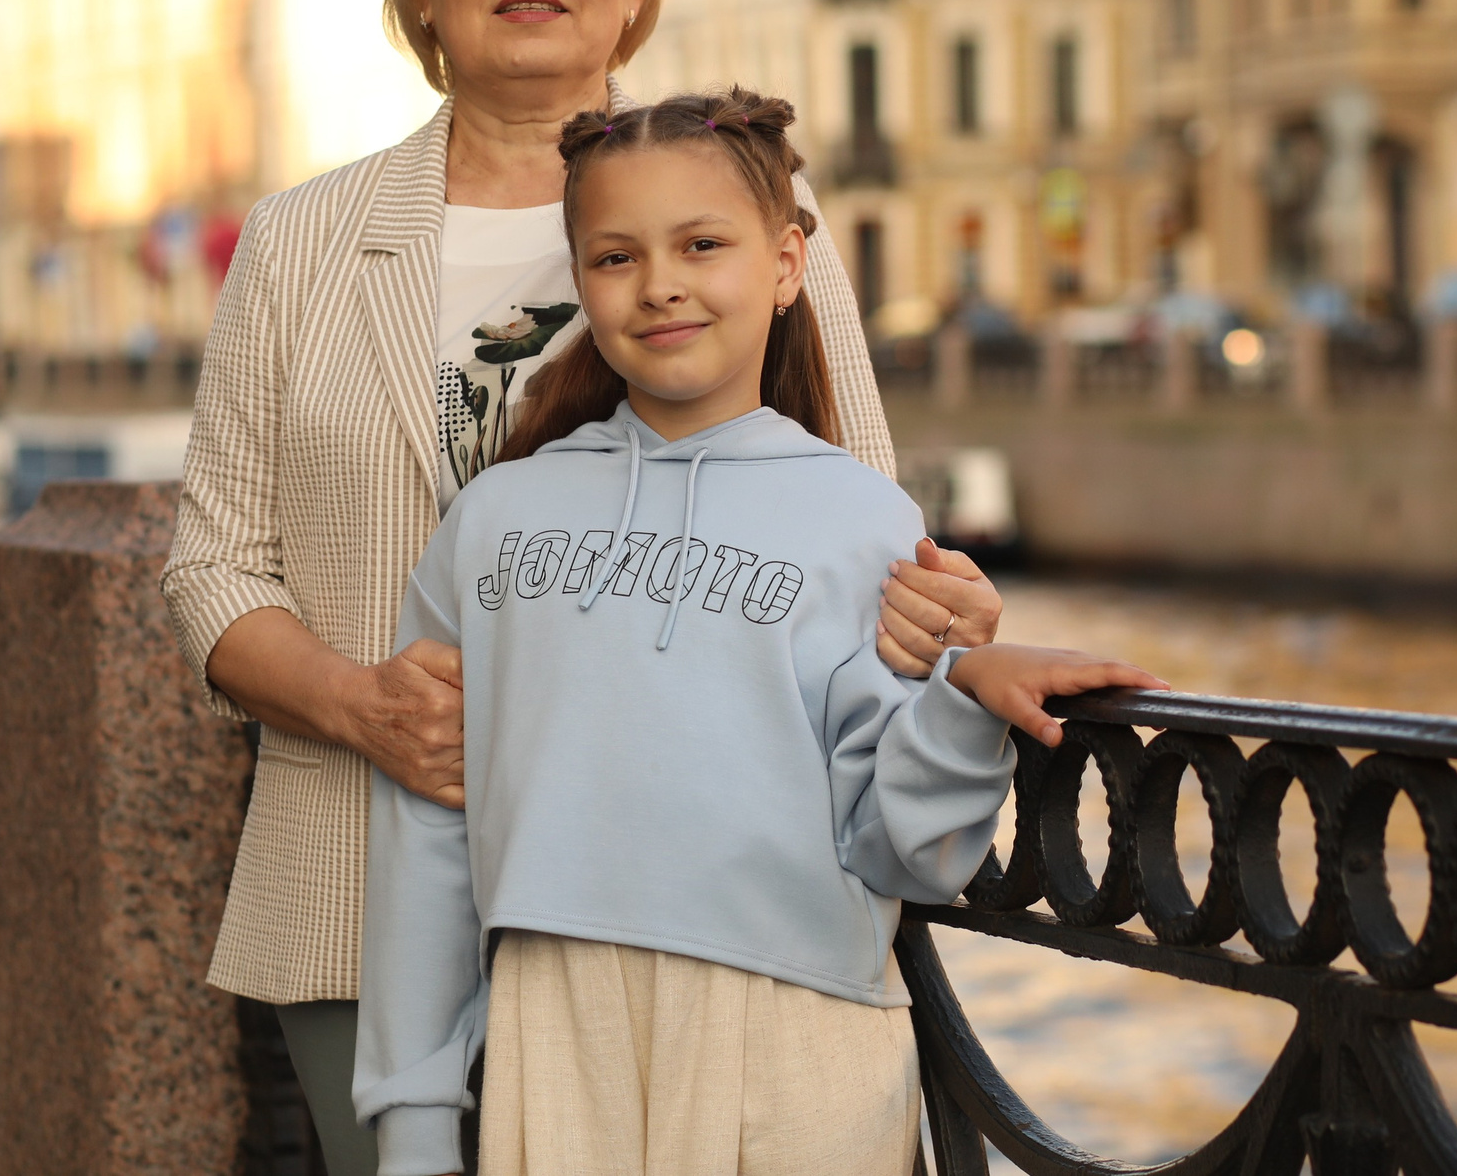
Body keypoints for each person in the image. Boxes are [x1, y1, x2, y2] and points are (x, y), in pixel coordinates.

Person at [161, 0, 1009, 1171]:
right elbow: (213, 563)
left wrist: (951, 626)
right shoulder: (300, 241)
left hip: (698, 917)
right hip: (361, 891)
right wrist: (364, 704)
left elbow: (860, 523)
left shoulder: (746, 220)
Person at [352, 89, 1163, 1176]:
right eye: (614, 258)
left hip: (799, 1045)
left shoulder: (865, 520)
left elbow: (902, 847)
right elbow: (426, 824)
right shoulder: (494, 521)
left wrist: (960, 699)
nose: (661, 285)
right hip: (553, 1034)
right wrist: (410, 1114)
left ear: (785, 266)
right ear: (579, 282)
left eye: (702, 244)